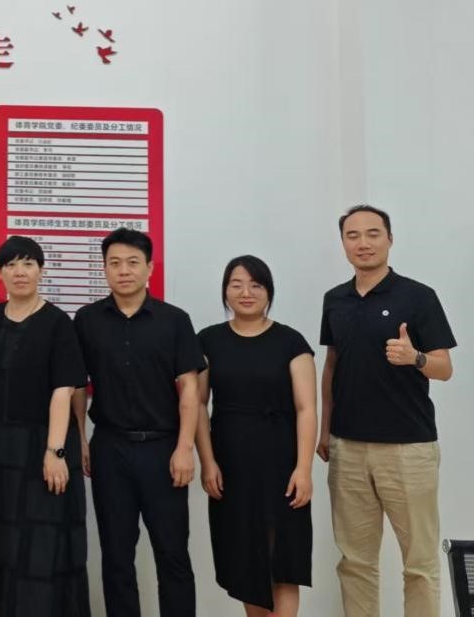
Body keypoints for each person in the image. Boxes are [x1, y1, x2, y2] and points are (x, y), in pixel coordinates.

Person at [318, 205, 456, 617]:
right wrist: (325, 430)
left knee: (420, 564)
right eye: (353, 235)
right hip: (348, 448)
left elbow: (444, 368)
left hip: (408, 450)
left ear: (390, 239)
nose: (363, 243)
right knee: (355, 563)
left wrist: (415, 358)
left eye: (373, 234)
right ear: (343, 243)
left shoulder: (418, 296)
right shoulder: (335, 299)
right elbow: (331, 366)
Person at [0, 235, 90, 616]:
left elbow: (63, 390)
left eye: (28, 263)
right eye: (11, 265)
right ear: (0, 273)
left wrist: (56, 451)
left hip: (42, 450)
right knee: (1, 544)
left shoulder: (58, 323)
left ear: (41, 270)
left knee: (41, 549)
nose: (20, 272)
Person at [73, 227, 201, 617]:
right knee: (116, 555)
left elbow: (190, 389)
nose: (123, 270)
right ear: (104, 269)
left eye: (132, 262)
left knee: (172, 553)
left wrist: (185, 448)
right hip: (109, 448)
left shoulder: (174, 320)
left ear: (149, 267)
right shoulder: (87, 320)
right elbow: (76, 385)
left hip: (164, 449)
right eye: (114, 263)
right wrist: (80, 439)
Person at [195, 255, 317, 617]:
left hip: (281, 463)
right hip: (231, 463)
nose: (246, 292)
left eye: (255, 285)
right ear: (225, 291)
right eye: (236, 284)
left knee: (283, 560)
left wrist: (304, 469)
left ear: (269, 292)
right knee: (246, 560)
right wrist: (208, 462)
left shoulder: (291, 341)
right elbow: (197, 404)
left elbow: (306, 409)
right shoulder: (208, 340)